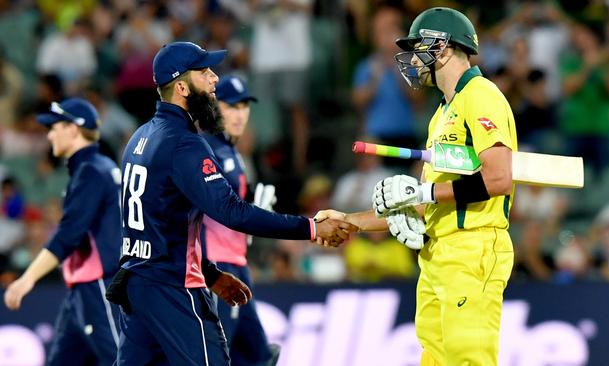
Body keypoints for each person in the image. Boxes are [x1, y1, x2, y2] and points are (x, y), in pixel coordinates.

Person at [108, 41, 354, 366]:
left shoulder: (140, 137)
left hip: (138, 286)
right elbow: (232, 212)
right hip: (172, 288)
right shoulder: (185, 144)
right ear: (181, 86)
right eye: (205, 72)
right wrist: (310, 227)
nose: (214, 80)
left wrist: (209, 273)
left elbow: (157, 226)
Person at [316, 7, 517, 365]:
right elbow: (421, 205)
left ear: (441, 47)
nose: (410, 57)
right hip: (438, 252)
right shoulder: (441, 113)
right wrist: (351, 220)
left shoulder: (481, 95)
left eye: (417, 46)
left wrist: (423, 193)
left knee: (468, 359)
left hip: (473, 247)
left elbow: (498, 179)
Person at [3, 98, 122, 365]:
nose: (49, 134)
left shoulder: (91, 171)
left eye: (55, 127)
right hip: (82, 289)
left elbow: (69, 235)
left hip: (99, 285)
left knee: (119, 360)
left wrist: (26, 280)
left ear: (73, 128)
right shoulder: (98, 168)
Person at [200, 75, 278, 365]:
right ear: (213, 106)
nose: (239, 114)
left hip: (235, 263)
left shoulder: (232, 152)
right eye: (230, 106)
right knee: (222, 354)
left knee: (257, 355)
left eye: (244, 106)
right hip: (218, 267)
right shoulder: (208, 150)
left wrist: (250, 211)